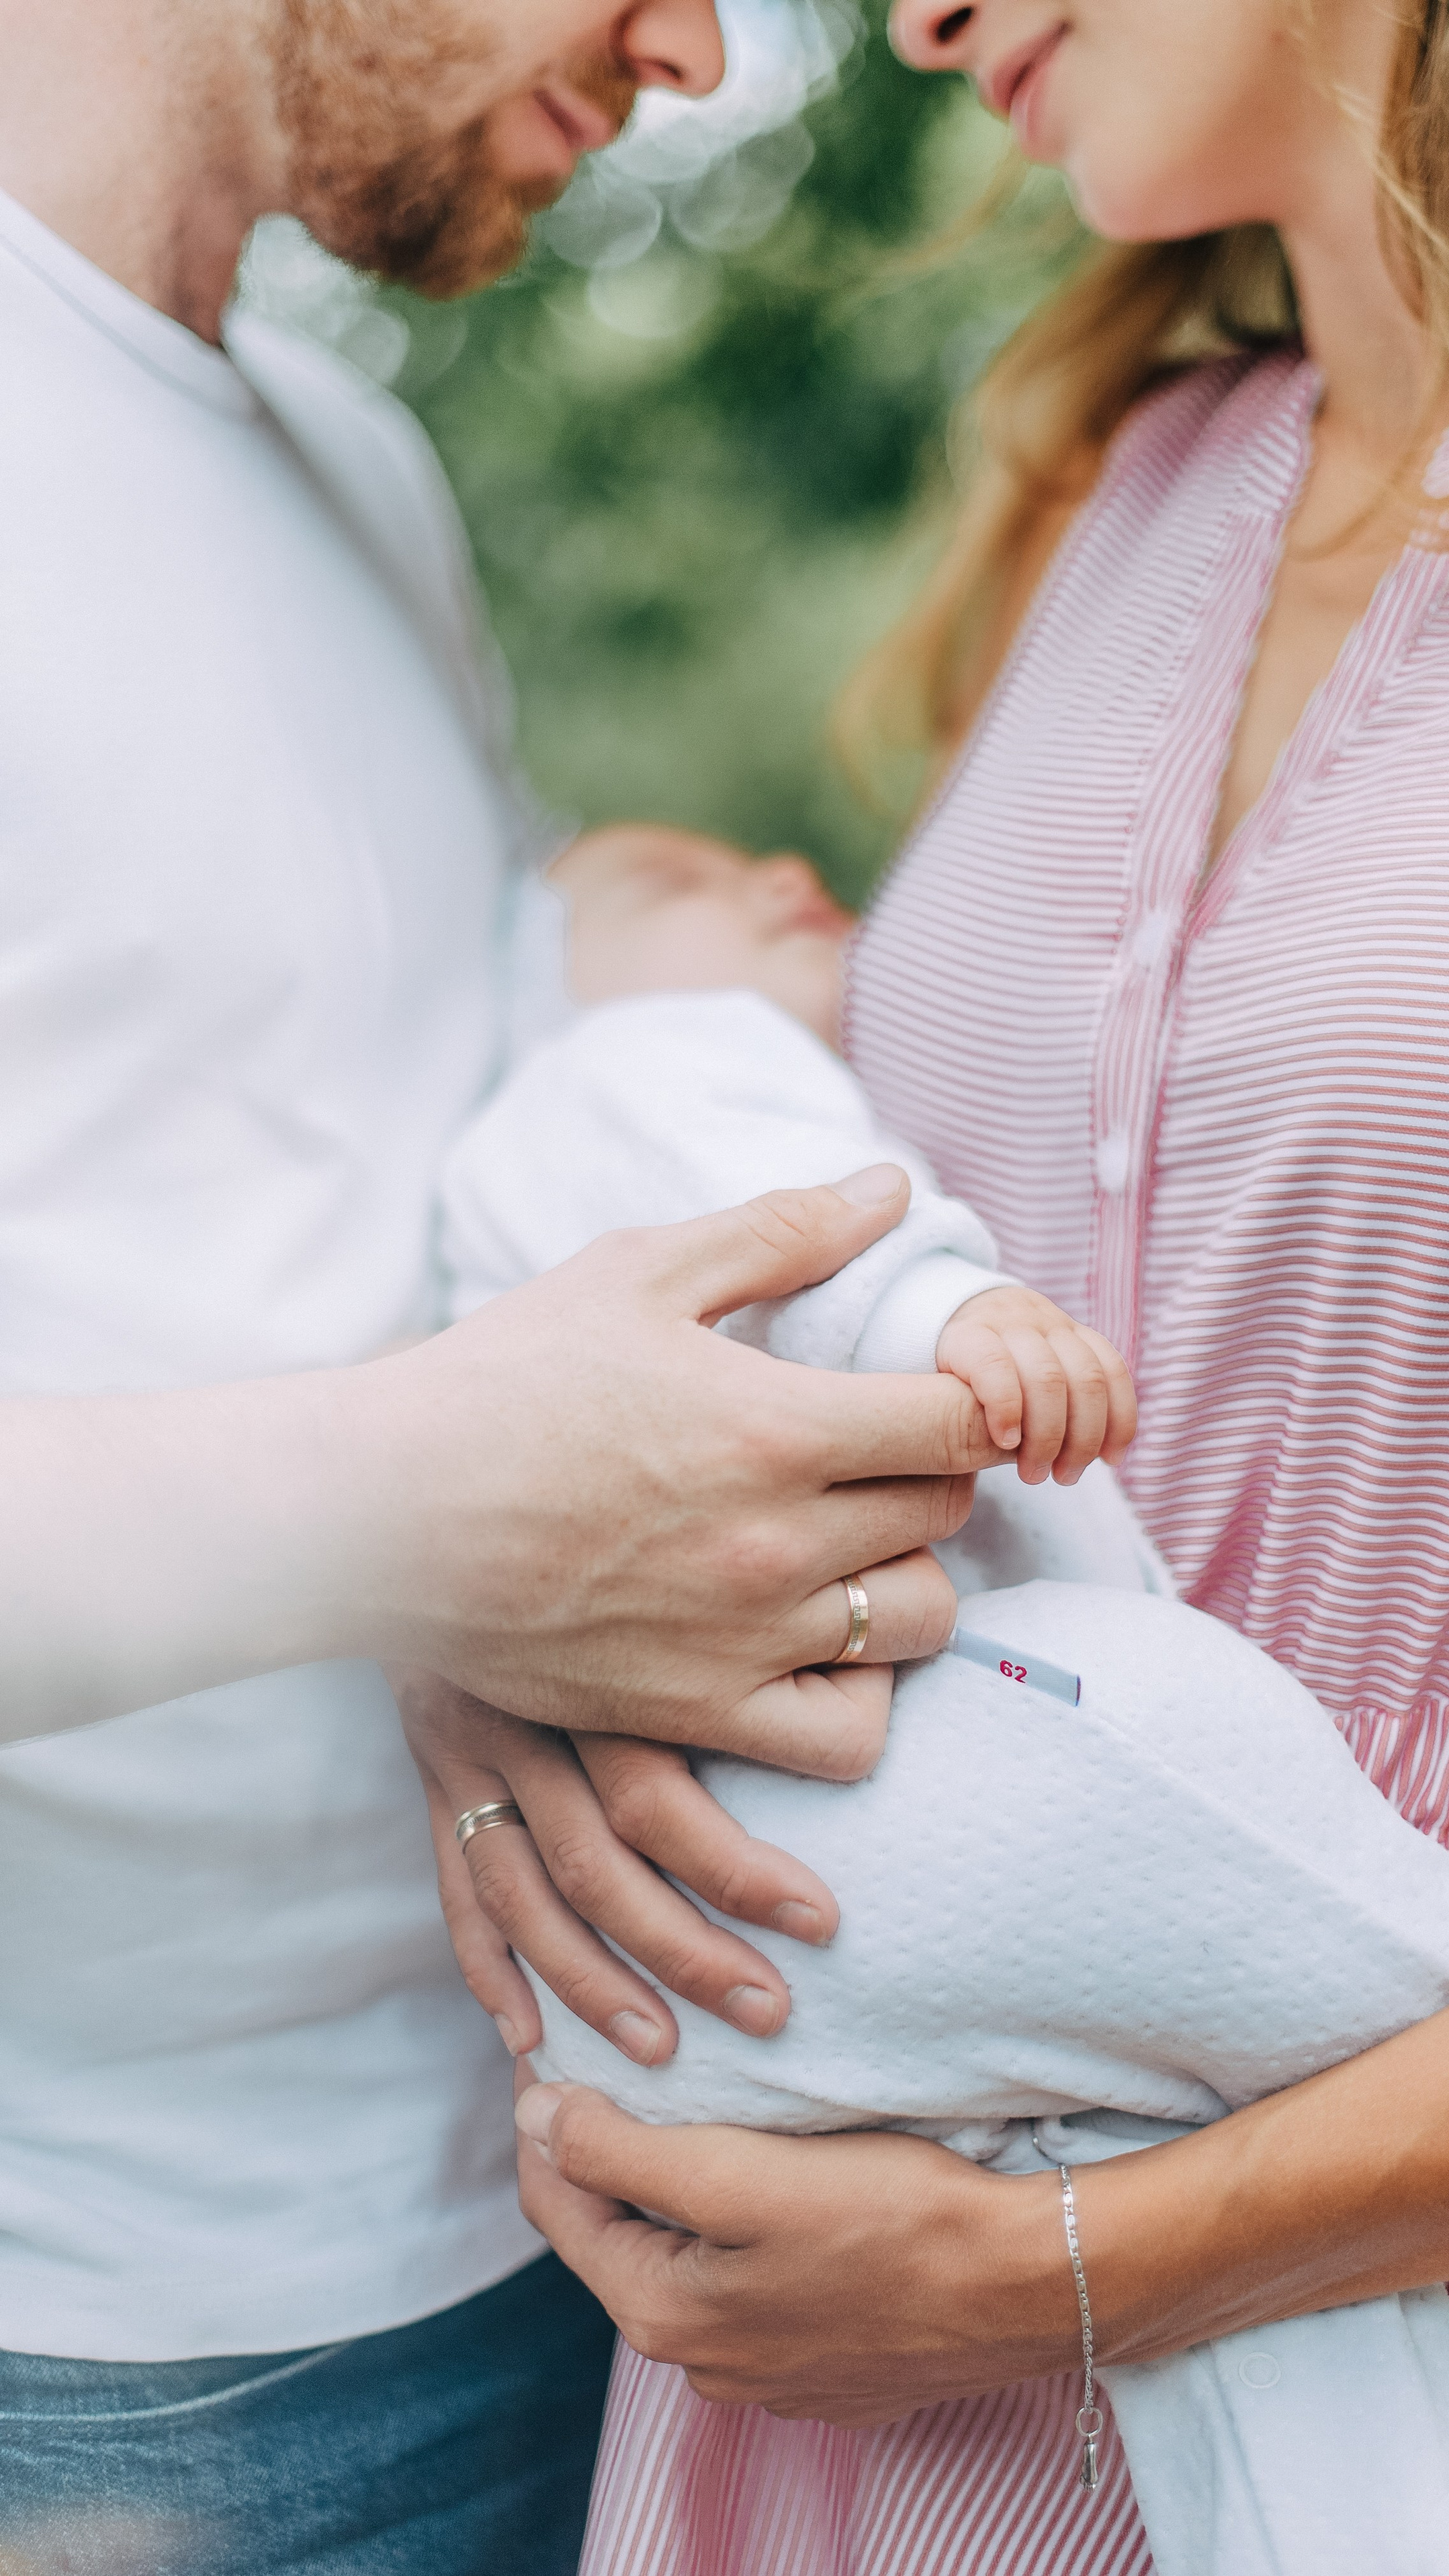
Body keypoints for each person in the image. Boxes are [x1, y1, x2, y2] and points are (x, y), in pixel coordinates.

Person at [507, 1, 1449, 2570]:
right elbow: (851, 1249)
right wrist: (530, 1657)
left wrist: (1076, 2266)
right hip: (870, 2340)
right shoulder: (1142, 490)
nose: (915, 16)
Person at [0, 6, 987, 2571]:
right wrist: (427, 1506)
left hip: (592, 2224)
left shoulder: (347, 456)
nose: (691, 51)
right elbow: (417, 1467)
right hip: (116, 2379)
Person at [429, 820, 1449, 2576]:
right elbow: (783, 1221)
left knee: (1226, 2264)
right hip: (824, 1830)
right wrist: (949, 1313)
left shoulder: (478, 1201)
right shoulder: (638, 1053)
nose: (793, 885)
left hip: (713, 1974)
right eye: (697, 875)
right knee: (1164, 1726)